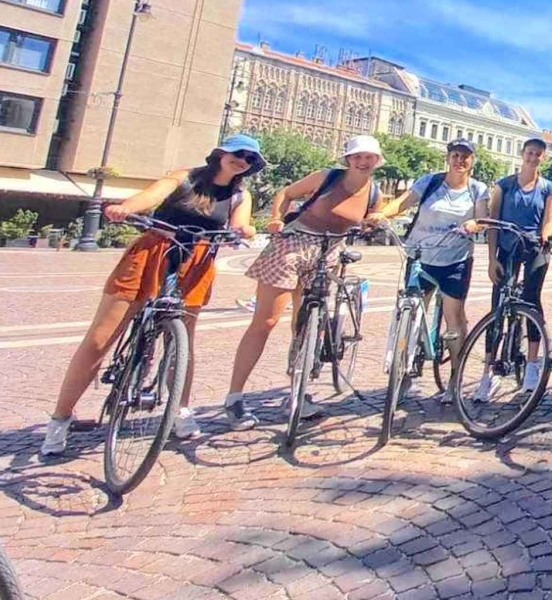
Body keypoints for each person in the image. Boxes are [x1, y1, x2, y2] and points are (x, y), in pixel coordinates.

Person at [40, 136, 263, 456]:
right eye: (238, 154)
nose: (243, 161)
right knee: (100, 339)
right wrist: (125, 209)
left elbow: (242, 224)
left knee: (182, 341)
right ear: (220, 154)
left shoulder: (241, 194)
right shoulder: (184, 177)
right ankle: (60, 419)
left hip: (196, 260)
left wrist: (245, 231)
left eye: (250, 159)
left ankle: (180, 410)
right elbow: (148, 197)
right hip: (153, 250)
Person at [222, 135, 386, 430]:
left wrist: (374, 219)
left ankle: (297, 391)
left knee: (309, 322)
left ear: (377, 161)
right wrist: (276, 218)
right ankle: (234, 397)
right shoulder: (327, 177)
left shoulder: (374, 192)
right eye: (357, 156)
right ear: (348, 159)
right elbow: (286, 193)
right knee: (266, 321)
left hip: (329, 252)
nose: (363, 162)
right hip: (294, 244)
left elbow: (372, 216)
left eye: (369, 157)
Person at [364, 138, 489, 385]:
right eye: (455, 155)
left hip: (455, 259)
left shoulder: (477, 189)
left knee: (454, 317)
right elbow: (403, 202)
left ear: (472, 161)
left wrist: (475, 224)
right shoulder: (430, 182)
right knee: (412, 310)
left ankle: (455, 377)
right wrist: (381, 214)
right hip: (420, 255)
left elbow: (483, 218)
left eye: (465, 156)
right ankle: (404, 365)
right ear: (448, 158)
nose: (459, 160)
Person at [485, 137, 552, 394]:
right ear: (522, 154)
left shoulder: (550, 188)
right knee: (497, 304)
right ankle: (488, 370)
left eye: (538, 154)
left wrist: (546, 235)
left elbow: (549, 220)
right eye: (530, 153)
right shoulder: (504, 186)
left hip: (534, 247)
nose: (533, 157)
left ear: (543, 158)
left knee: (531, 299)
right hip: (507, 247)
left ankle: (531, 364)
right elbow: (493, 222)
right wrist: (492, 258)